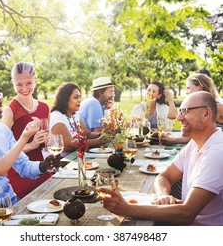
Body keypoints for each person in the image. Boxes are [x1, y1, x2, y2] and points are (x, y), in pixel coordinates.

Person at [99, 91, 223, 226]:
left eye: (185, 111)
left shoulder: (216, 153)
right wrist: (163, 195)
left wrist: (128, 209)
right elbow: (164, 176)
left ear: (206, 113)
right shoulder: (195, 143)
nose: (178, 118)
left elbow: (187, 213)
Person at [0, 80, 59, 223]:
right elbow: (0, 168)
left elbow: (23, 166)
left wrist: (43, 166)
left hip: (11, 203)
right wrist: (25, 137)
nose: (0, 100)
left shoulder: (3, 131)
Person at [1, 62, 51, 198]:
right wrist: (32, 145)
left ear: (35, 80)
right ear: (13, 83)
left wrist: (47, 140)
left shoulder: (45, 107)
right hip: (20, 176)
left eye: (28, 83)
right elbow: (2, 152)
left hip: (43, 170)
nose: (24, 88)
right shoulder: (10, 110)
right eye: (19, 84)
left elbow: (49, 143)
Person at [161, 73, 223, 144]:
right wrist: (172, 140)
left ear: (200, 87)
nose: (187, 92)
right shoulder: (197, 107)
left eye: (188, 88)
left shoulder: (217, 107)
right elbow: (192, 136)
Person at [50, 83, 108, 156]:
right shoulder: (57, 117)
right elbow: (69, 145)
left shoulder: (75, 114)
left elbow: (87, 134)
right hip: (62, 161)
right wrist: (99, 141)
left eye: (80, 97)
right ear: (65, 99)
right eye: (76, 97)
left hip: (77, 156)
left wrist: (103, 135)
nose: (79, 100)